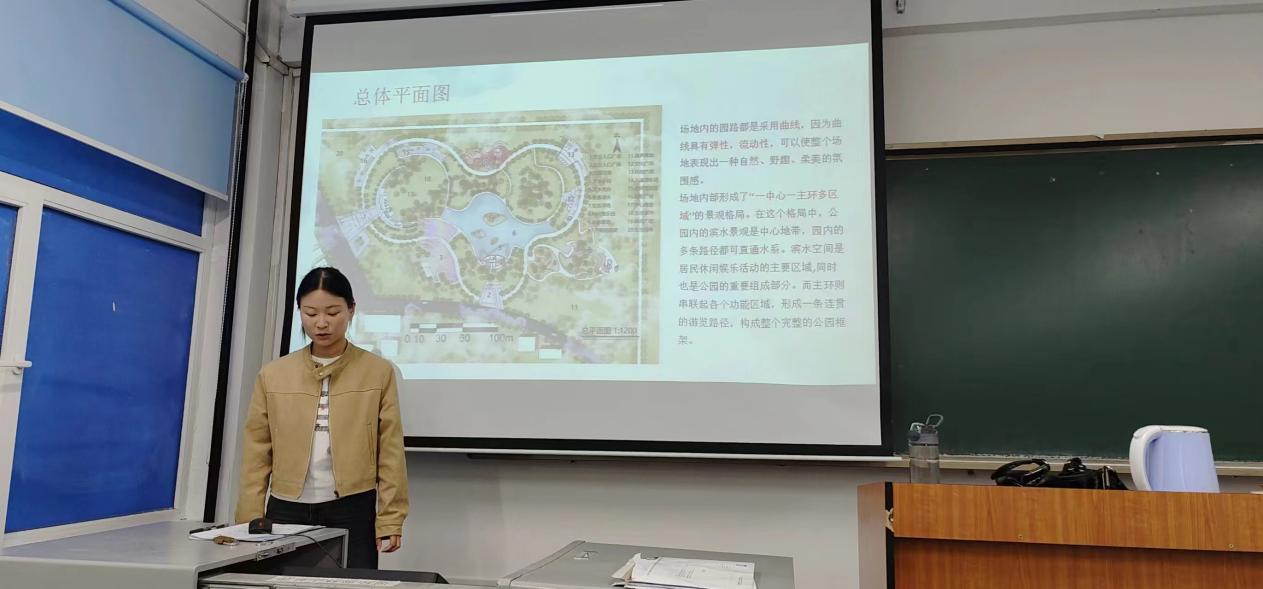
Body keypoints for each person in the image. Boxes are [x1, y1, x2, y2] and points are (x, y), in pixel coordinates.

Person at [236, 267, 407, 569]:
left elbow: (390, 450)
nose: (322, 323)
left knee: (354, 585)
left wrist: (391, 518)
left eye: (333, 312)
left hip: (352, 505)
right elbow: (257, 451)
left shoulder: (377, 371)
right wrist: (249, 516)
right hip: (286, 506)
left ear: (351, 309)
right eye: (311, 313)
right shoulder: (274, 374)